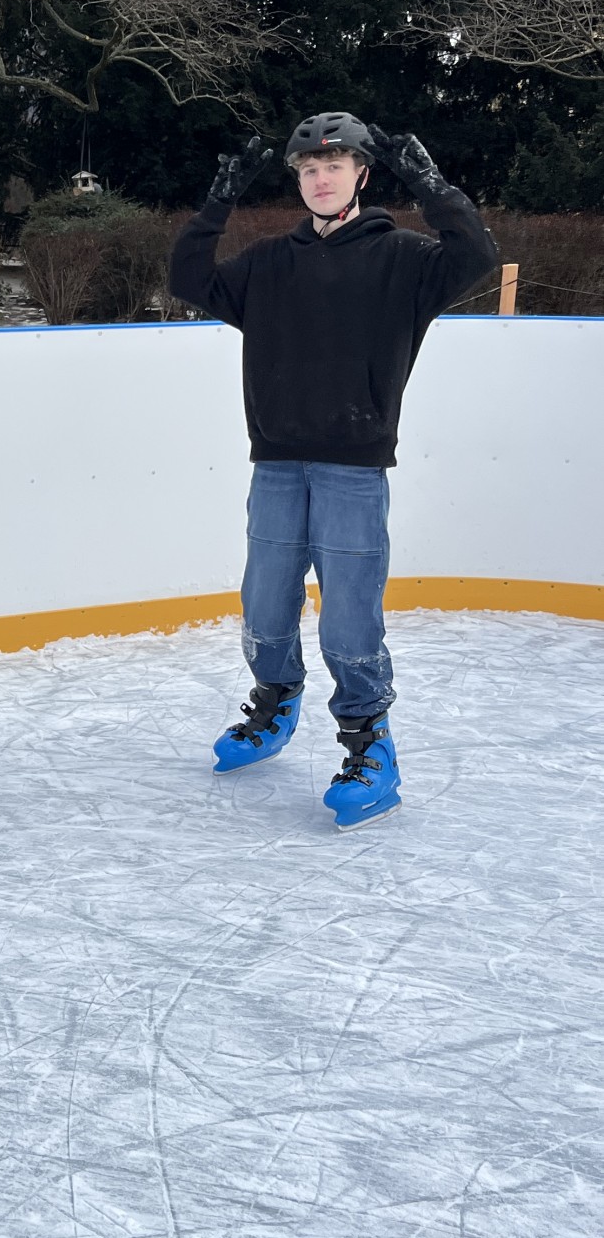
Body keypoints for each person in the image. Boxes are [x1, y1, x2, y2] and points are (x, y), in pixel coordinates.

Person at [168, 112, 498, 826]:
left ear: (361, 176)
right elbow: (187, 278)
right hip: (277, 463)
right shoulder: (268, 262)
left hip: (354, 466)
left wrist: (428, 182)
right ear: (298, 181)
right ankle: (275, 701)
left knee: (348, 620)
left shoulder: (404, 259)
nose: (321, 178)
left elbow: (474, 254)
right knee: (264, 607)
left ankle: (369, 742)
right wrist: (218, 201)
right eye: (309, 169)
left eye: (335, 166)